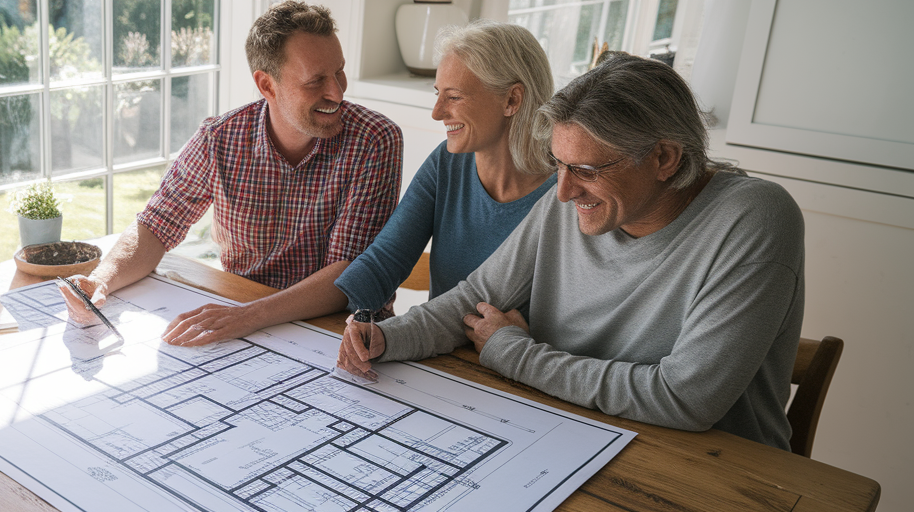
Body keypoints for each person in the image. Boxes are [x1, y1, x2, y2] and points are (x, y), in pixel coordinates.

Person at [337, 51, 806, 450]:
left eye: (583, 168)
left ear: (665, 158)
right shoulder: (575, 199)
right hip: (566, 430)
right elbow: (475, 298)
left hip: (708, 468)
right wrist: (388, 337)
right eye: (557, 164)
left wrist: (513, 352)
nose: (562, 193)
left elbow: (684, 399)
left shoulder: (756, 218)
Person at [60, 1, 403, 345]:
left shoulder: (375, 140)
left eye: (339, 72)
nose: (337, 92)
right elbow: (156, 226)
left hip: (342, 334)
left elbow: (349, 277)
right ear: (267, 85)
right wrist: (100, 281)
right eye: (316, 81)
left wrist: (248, 316)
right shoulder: (219, 138)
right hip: (242, 321)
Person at [336, 20, 557, 315]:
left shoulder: (569, 190)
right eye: (437, 93)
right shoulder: (448, 161)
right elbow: (382, 262)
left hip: (512, 359)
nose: (437, 112)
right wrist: (263, 313)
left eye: (453, 97)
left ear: (512, 99)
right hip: (430, 350)